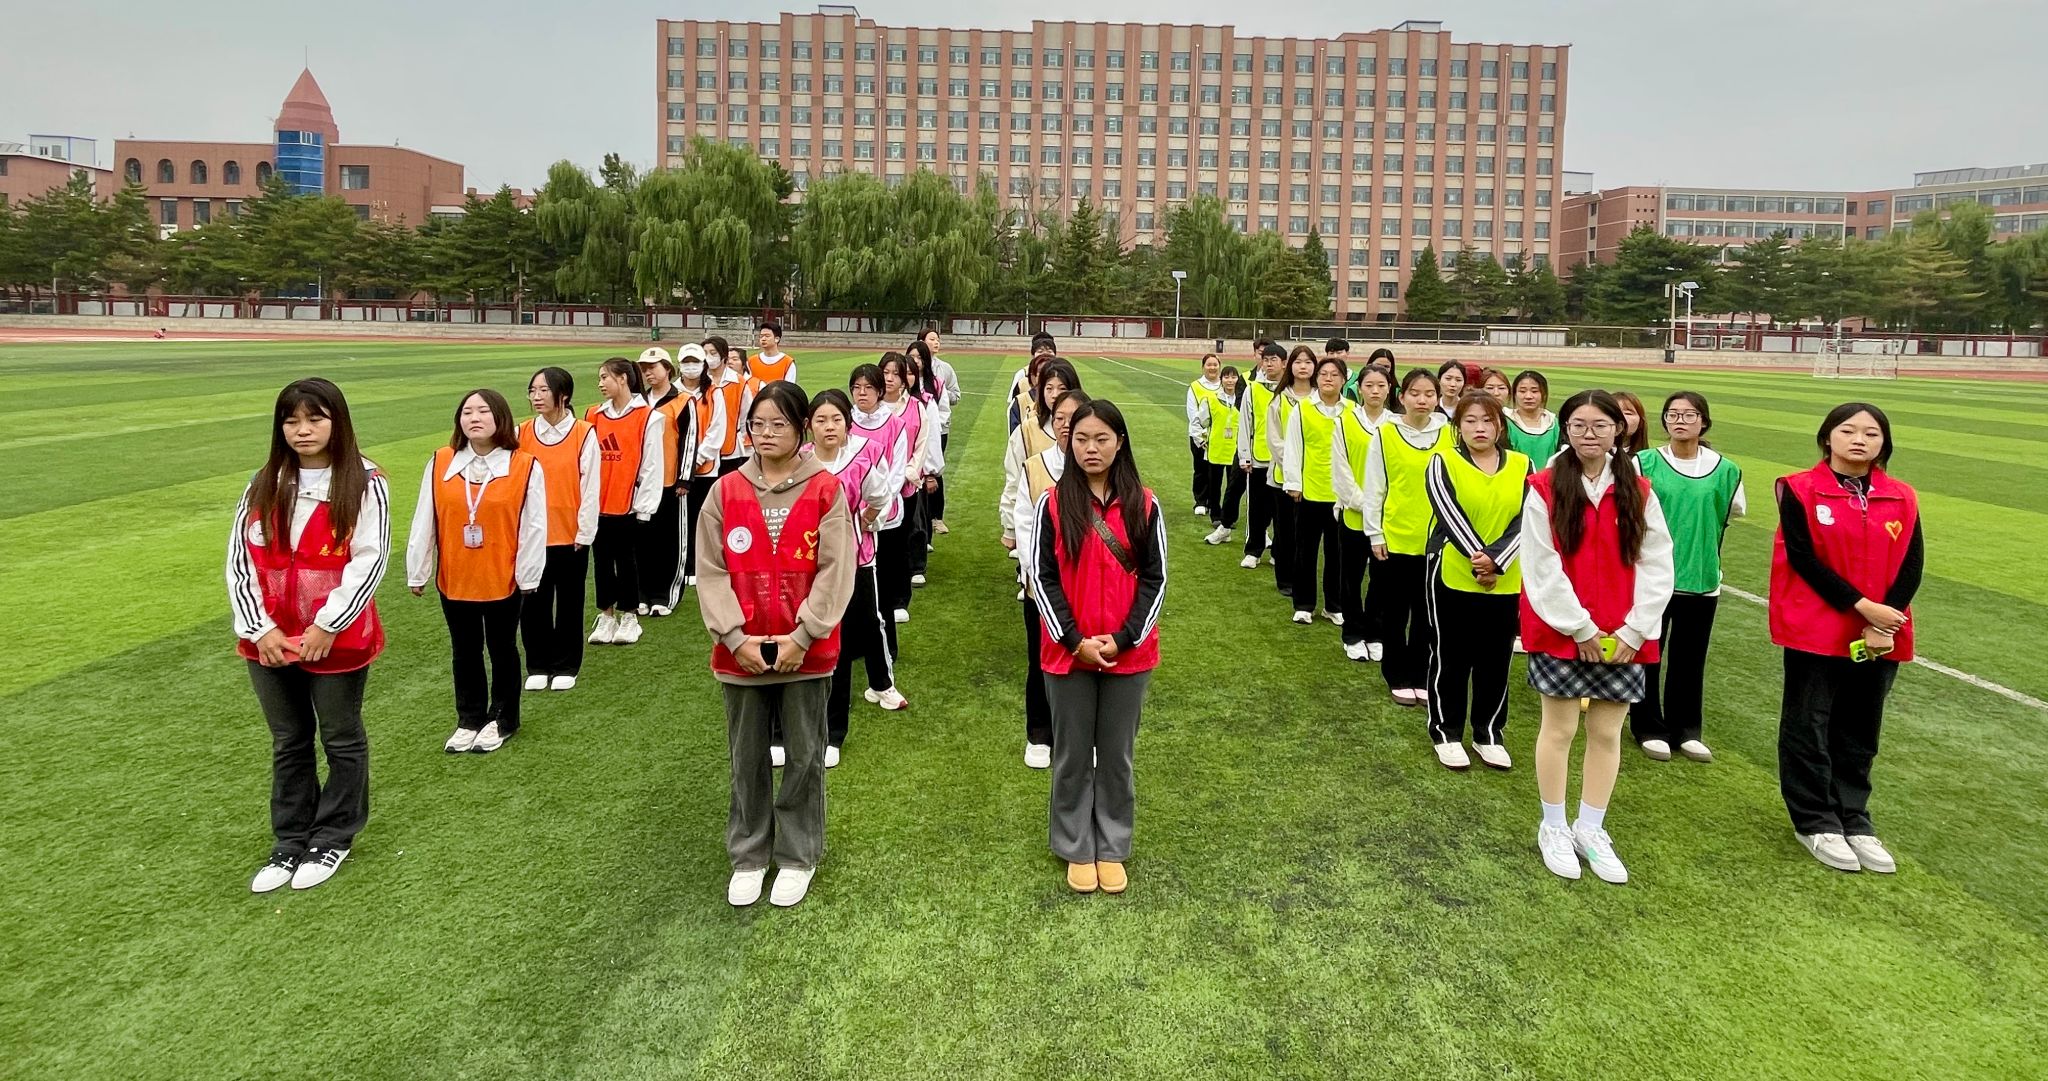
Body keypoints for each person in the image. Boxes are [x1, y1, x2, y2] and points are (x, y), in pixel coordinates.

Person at [697, 381, 855, 909]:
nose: (765, 434)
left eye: (778, 424)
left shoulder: (825, 490)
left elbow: (835, 570)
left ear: (801, 428)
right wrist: (734, 637)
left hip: (805, 653)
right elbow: (711, 571)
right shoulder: (725, 491)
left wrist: (803, 634)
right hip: (739, 653)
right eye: (757, 424)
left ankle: (797, 854)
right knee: (746, 757)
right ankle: (749, 853)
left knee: (805, 756)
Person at [229, 378, 389, 893]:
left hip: (335, 638)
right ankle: (290, 838)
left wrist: (327, 625)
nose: (303, 430)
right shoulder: (264, 482)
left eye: (315, 419)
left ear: (336, 422)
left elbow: (370, 559)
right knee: (288, 740)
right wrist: (261, 629)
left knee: (340, 737)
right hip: (270, 638)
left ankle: (334, 835)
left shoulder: (364, 481)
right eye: (291, 420)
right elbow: (239, 560)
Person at [1521, 389, 1674, 886]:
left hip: (1625, 634)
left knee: (1607, 733)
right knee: (1559, 729)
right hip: (1562, 629)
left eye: (1600, 425)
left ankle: (1590, 828)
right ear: (1565, 429)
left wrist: (1635, 628)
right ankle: (1553, 825)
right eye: (1579, 425)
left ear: (1618, 430)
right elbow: (1541, 565)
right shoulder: (1544, 487)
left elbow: (1657, 562)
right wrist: (1581, 626)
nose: (1589, 434)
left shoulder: (1639, 490)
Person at [1770, 403, 1921, 875]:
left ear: (1884, 443)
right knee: (1808, 723)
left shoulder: (1902, 496)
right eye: (1848, 430)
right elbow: (1803, 558)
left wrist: (1885, 620)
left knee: (1861, 727)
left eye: (1872, 433)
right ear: (1827, 437)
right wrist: (1863, 607)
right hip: (1817, 627)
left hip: (1881, 632)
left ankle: (1854, 817)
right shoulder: (1799, 489)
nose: (1860, 440)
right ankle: (1815, 820)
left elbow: (1911, 562)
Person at [1027, 400, 1165, 895]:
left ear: (1120, 443)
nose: (1091, 448)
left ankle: (1112, 843)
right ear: (1069, 444)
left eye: (1102, 438)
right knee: (1070, 755)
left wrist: (1124, 638)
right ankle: (1075, 844)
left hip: (1129, 654)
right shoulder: (1052, 504)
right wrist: (1075, 641)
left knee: (1116, 755)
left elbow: (1155, 579)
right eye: (1081, 438)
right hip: (1069, 655)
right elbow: (1041, 577)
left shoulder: (1145, 504)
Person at [406, 389, 548, 756]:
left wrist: (529, 575)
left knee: (502, 649)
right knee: (464, 650)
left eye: (483, 411)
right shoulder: (441, 461)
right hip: (455, 577)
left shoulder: (524, 465)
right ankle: (468, 718)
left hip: (503, 577)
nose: (474, 418)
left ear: (500, 418)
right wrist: (417, 569)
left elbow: (534, 526)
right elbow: (425, 517)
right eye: (467, 411)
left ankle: (502, 718)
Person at [1633, 391, 1745, 762]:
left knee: (1690, 657)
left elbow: (1731, 513)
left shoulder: (1727, 471)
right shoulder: (1643, 463)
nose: (1680, 420)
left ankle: (1686, 729)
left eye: (1689, 414)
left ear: (1704, 421)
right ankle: (1648, 726)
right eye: (1673, 414)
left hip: (1702, 577)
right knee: (1649, 651)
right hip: (1651, 576)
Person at [1423, 392, 1529, 771]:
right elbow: (1448, 513)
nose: (1479, 428)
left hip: (1506, 577)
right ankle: (1446, 732)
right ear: (1458, 426)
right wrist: (1480, 559)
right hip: (1452, 571)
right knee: (1450, 656)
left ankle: (1488, 733)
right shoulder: (1443, 461)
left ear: (1500, 425)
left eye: (1487, 420)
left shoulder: (1522, 464)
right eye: (1470, 420)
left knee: (1496, 659)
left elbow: (1528, 516)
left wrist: (1497, 561)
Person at [808, 388, 904, 768]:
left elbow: (881, 496)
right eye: (821, 420)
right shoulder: (801, 462)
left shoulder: (860, 459)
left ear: (847, 424)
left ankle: (834, 731)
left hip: (855, 562)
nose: (829, 427)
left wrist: (865, 522)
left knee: (849, 636)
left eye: (836, 419)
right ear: (809, 426)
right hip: (810, 566)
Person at [1361, 369, 1452, 706]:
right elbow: (1375, 487)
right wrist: (1375, 533)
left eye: (1429, 394)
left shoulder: (1449, 434)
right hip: (1396, 537)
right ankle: (1396, 674)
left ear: (1437, 398)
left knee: (1428, 614)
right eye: (1415, 393)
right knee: (1396, 612)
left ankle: (1421, 675)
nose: (1422, 400)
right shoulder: (1386, 433)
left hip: (1437, 541)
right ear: (1402, 397)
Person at [1012, 387, 1091, 769]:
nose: (1065, 425)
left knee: (1086, 665)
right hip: (1043, 589)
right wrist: (1041, 581)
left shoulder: (1099, 468)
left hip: (1090, 589)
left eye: (1073, 418)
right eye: (1059, 418)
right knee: (1041, 660)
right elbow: (1025, 527)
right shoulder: (1035, 467)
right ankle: (1039, 734)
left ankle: (1081, 738)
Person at [518, 367, 599, 692]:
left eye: (543, 390)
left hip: (569, 534)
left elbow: (590, 486)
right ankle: (538, 663)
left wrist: (584, 531)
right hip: (531, 535)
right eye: (532, 390)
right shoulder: (522, 432)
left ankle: (566, 664)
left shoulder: (583, 433)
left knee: (569, 602)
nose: (536, 397)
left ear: (563, 395)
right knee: (532, 602)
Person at [585, 357, 665, 646]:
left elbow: (652, 465)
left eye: (605, 377)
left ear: (623, 379)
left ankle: (629, 616)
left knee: (627, 561)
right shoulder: (594, 415)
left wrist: (644, 507)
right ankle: (606, 615)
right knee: (602, 562)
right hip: (598, 503)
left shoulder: (649, 417)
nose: (600, 383)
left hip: (629, 503)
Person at [848, 362, 913, 666]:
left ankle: (888, 647)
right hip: (851, 518)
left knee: (883, 585)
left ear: (879, 391)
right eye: (857, 388)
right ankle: (857, 644)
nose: (862, 393)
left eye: (868, 388)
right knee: (854, 585)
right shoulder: (845, 421)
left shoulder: (895, 425)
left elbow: (896, 474)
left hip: (885, 518)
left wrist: (873, 512)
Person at [1330, 365, 1393, 660]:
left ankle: (1375, 632)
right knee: (1351, 578)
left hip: (1387, 518)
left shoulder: (1396, 424)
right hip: (1354, 514)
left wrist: (1382, 506)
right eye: (1369, 385)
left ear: (1389, 389)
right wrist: (1363, 502)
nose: (1375, 391)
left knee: (1382, 579)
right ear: (1360, 388)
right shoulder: (1344, 422)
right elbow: (1340, 468)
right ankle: (1353, 633)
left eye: (1381, 385)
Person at [1282, 353, 1349, 626]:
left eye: (1335, 375)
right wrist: (1294, 483)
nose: (1328, 379)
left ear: (1344, 380)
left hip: (1342, 496)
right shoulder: (1303, 408)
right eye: (1323, 374)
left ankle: (1334, 605)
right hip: (1310, 492)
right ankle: (1304, 604)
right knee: (1305, 552)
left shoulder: (1352, 410)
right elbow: (1293, 446)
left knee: (1338, 554)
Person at [875, 352, 928, 624]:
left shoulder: (916, 407)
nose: (890, 378)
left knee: (899, 545)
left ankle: (899, 599)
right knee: (874, 547)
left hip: (905, 487)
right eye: (885, 372)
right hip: (873, 489)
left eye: (896, 374)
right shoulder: (869, 410)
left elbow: (921, 445)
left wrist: (908, 473)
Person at [1264, 345, 1318, 603]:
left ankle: (1302, 579)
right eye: (1298, 361)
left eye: (1308, 362)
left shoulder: (1321, 399)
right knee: (1285, 530)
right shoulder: (1280, 399)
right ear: (1290, 366)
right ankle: (1284, 577)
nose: (1303, 366)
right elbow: (1274, 440)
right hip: (1283, 477)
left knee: (1305, 535)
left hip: (1316, 479)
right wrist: (1294, 466)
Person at [636, 347, 688, 616]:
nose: (648, 373)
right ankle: (643, 594)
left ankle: (665, 595)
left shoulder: (682, 401)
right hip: (643, 484)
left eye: (653, 367)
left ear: (667, 369)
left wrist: (684, 478)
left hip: (670, 482)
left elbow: (689, 440)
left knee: (668, 541)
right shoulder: (638, 402)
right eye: (644, 368)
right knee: (643, 542)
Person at [675, 343, 727, 586]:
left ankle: (697, 565)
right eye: (686, 362)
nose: (690, 367)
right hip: (676, 469)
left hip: (705, 469)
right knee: (680, 520)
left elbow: (717, 430)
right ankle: (681, 565)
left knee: (701, 518)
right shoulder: (673, 392)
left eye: (695, 362)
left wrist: (696, 458)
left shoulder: (714, 393)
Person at [1235, 343, 1288, 573]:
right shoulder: (1253, 389)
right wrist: (1244, 456)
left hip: (1285, 462)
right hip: (1259, 459)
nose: (1269, 364)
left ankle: (1279, 552)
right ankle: (1253, 551)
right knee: (1257, 509)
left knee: (1282, 512)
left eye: (1274, 359)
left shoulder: (1291, 391)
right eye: (1266, 359)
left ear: (1284, 363)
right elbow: (1245, 423)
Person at [902, 340, 948, 586]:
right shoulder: (881, 405)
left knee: (916, 520)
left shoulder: (925, 401)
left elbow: (930, 438)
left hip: (914, 473)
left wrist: (930, 472)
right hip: (887, 474)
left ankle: (917, 566)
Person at [1199, 366, 1247, 546]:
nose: (1230, 380)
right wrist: (1202, 438)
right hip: (1217, 448)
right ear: (1221, 380)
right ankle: (1216, 515)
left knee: (1233, 486)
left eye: (1233, 377)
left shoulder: (1243, 400)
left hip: (1236, 449)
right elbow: (1203, 420)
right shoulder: (1212, 399)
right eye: (1226, 377)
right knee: (1215, 484)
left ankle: (1229, 517)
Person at [921, 326, 962, 536]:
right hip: (917, 427)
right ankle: (922, 518)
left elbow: (956, 395)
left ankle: (937, 517)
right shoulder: (910, 368)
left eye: (937, 339)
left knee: (935, 471)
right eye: (932, 339)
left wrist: (941, 393)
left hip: (939, 428)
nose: (936, 342)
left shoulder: (944, 369)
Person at [707, 338, 756, 476]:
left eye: (713, 353)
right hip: (702, 450)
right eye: (705, 353)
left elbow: (747, 414)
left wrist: (738, 436)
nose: (708, 357)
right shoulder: (698, 381)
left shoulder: (738, 382)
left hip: (731, 449)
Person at [1184, 353, 1224, 516]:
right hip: (1199, 435)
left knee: (1216, 472)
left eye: (1215, 364)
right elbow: (1192, 413)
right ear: (1203, 367)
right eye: (1209, 364)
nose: (1212, 368)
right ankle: (1200, 501)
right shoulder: (1195, 387)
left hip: (1220, 436)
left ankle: (1213, 502)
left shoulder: (1224, 385)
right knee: (1200, 468)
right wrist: (1200, 436)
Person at [1007, 332, 1060, 433]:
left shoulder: (1063, 374)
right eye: (1040, 351)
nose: (1045, 354)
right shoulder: (1022, 375)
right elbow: (1012, 405)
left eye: (1049, 351)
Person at [1507, 370, 1561, 466]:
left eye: (1535, 391)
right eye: (1522, 391)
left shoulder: (1554, 424)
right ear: (1514, 394)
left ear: (1543, 394)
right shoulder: (1505, 423)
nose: (1528, 396)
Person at [1612, 390, 1651, 455]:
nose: (1621, 417)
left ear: (1640, 422)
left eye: (1628, 413)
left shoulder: (1647, 458)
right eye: (1615, 412)